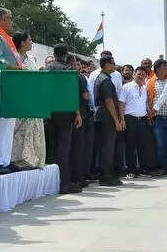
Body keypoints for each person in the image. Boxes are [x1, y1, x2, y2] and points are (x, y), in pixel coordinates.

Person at [0, 7, 22, 174]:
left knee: (8, 124)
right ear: (0, 19)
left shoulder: (5, 36)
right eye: (8, 18)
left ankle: (5, 159)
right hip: (1, 83)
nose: (11, 21)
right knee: (0, 123)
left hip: (11, 84)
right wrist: (13, 67)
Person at [46, 44, 83, 194]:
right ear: (66, 54)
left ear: (54, 54)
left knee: (51, 147)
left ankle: (51, 183)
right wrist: (78, 114)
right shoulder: (69, 71)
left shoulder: (47, 69)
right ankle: (65, 183)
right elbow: (72, 94)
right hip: (66, 113)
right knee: (64, 149)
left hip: (49, 112)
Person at [11, 31, 47, 170]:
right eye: (29, 40)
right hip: (21, 100)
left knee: (35, 129)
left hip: (34, 101)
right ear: (22, 42)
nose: (31, 42)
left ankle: (33, 160)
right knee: (20, 131)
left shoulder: (31, 58)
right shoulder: (14, 58)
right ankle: (18, 159)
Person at [120, 66, 155, 177]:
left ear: (145, 77)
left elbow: (146, 104)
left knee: (143, 145)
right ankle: (131, 170)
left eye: (143, 75)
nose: (140, 76)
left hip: (143, 120)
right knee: (130, 146)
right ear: (134, 74)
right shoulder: (126, 87)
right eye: (138, 74)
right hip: (130, 119)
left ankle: (143, 169)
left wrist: (149, 116)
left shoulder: (145, 88)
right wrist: (122, 119)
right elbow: (121, 104)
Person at [94, 55, 123, 186]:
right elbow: (109, 101)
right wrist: (116, 120)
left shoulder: (104, 78)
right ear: (106, 64)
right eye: (112, 63)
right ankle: (106, 177)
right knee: (107, 147)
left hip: (104, 116)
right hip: (107, 117)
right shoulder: (105, 80)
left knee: (106, 147)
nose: (114, 65)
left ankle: (106, 174)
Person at [148, 58, 167, 175]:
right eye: (165, 66)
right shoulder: (151, 82)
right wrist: (150, 116)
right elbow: (148, 101)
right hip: (158, 119)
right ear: (158, 69)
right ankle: (163, 167)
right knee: (160, 144)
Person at [69, 54, 91, 186]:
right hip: (80, 116)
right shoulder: (79, 77)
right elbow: (86, 96)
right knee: (78, 148)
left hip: (69, 115)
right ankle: (78, 177)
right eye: (77, 64)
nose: (80, 66)